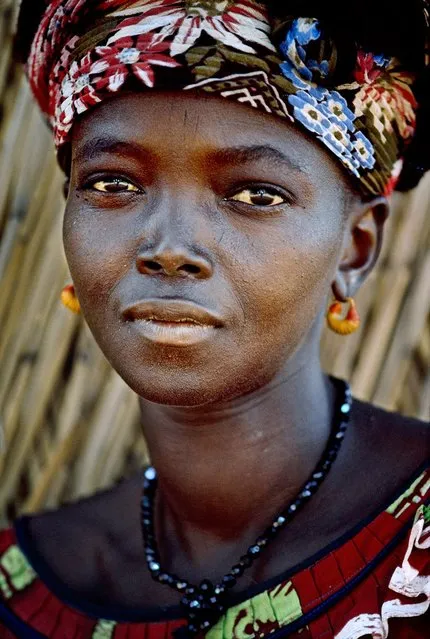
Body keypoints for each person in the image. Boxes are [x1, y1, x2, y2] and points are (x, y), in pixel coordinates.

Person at [0, 0, 428, 637]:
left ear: (356, 248)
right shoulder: (22, 590)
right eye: (113, 184)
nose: (169, 245)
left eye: (257, 194)